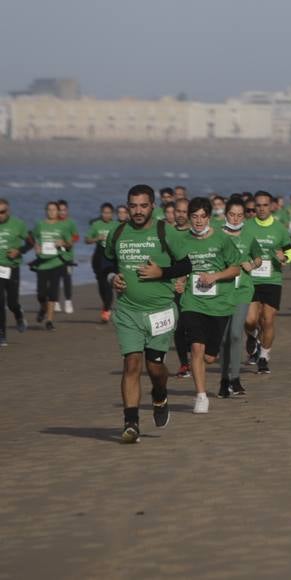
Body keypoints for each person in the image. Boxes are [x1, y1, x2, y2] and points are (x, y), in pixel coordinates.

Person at [104, 184, 193, 443]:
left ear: (152, 206)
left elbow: (187, 263)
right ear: (127, 206)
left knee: (154, 367)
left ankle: (159, 392)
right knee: (131, 363)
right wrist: (113, 277)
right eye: (133, 206)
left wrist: (162, 273)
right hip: (128, 311)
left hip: (160, 310)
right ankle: (131, 423)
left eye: (143, 205)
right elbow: (105, 262)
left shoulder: (165, 232)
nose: (138, 211)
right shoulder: (118, 232)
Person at [177, 198, 244, 414]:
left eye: (202, 216)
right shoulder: (181, 240)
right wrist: (178, 280)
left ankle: (214, 364)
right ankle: (201, 395)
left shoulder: (222, 240)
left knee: (210, 356)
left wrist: (215, 276)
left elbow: (235, 269)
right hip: (192, 302)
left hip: (219, 304)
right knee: (196, 347)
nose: (198, 221)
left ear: (209, 217)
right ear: (189, 218)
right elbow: (175, 267)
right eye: (194, 216)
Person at [242, 191, 291, 375]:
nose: (261, 208)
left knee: (268, 319)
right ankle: (251, 335)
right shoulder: (247, 226)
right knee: (250, 320)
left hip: (272, 279)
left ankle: (264, 357)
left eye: (265, 205)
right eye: (258, 205)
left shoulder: (279, 228)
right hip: (251, 279)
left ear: (271, 206)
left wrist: (285, 258)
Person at [216, 196, 252, 398]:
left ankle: (236, 379)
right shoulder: (216, 235)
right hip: (221, 291)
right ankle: (223, 379)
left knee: (236, 334)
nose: (236, 219)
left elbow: (258, 256)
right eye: (232, 214)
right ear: (225, 214)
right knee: (223, 339)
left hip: (242, 290)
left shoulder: (249, 234)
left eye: (240, 215)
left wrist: (252, 264)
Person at [32, 202, 72, 330]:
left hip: (56, 263)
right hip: (42, 263)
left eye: (54, 210)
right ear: (46, 211)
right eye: (49, 209)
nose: (51, 212)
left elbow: (70, 243)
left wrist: (63, 243)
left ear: (57, 212)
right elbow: (33, 238)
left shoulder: (62, 226)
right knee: (41, 294)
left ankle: (49, 321)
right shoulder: (40, 224)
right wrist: (36, 246)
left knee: (53, 293)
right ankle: (43, 309)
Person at [0, 200, 32, 345]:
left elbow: (31, 243)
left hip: (12, 268)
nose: (0, 215)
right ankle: (2, 335)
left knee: (12, 303)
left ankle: (19, 316)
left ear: (8, 211)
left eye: (2, 212)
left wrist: (18, 251)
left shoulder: (18, 225)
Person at [88, 203, 119, 322]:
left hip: (112, 259)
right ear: (101, 213)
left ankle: (106, 308)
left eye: (109, 213)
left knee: (110, 285)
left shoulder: (116, 225)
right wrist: (97, 238)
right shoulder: (96, 225)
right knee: (102, 286)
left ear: (112, 214)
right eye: (104, 212)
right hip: (99, 258)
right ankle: (105, 305)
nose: (106, 215)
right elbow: (87, 239)